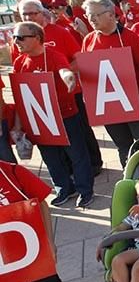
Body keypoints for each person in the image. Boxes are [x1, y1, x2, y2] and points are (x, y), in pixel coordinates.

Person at [12, 22, 96, 208]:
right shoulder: (20, 62)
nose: (16, 41)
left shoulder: (53, 56)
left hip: (64, 115)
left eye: (21, 37)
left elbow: (64, 70)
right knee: (50, 157)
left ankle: (85, 191)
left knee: (76, 154)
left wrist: (69, 79)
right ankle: (64, 188)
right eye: (14, 37)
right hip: (38, 119)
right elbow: (20, 96)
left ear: (37, 38)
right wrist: (18, 125)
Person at [15, 0, 102, 174]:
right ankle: (69, 171)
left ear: (42, 13)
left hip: (69, 93)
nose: (29, 16)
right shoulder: (19, 38)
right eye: (25, 13)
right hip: (41, 99)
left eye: (33, 12)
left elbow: (79, 57)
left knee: (81, 131)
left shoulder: (60, 32)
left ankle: (94, 163)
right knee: (52, 136)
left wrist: (62, 75)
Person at [81, 0, 139, 167]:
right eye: (88, 15)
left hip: (133, 101)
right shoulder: (88, 39)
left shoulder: (129, 37)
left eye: (95, 15)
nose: (91, 19)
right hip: (108, 105)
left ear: (111, 15)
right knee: (123, 146)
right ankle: (129, 181)